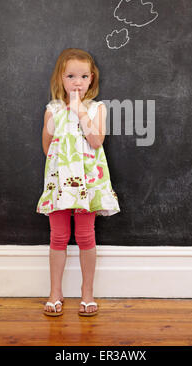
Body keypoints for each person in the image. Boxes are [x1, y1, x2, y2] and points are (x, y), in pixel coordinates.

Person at [36, 48, 120, 317]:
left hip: (88, 184)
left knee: (85, 236)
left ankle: (87, 293)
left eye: (83, 76)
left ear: (91, 79)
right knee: (58, 236)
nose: (77, 82)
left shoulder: (96, 108)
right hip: (61, 183)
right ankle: (55, 292)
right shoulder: (52, 110)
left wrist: (79, 110)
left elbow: (96, 141)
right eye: (71, 76)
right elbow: (47, 147)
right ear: (61, 78)